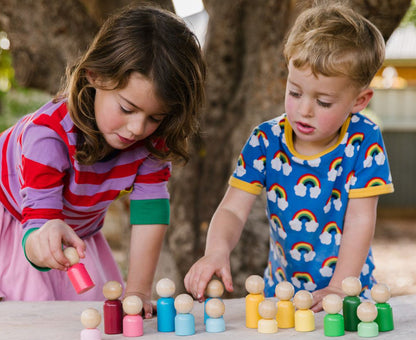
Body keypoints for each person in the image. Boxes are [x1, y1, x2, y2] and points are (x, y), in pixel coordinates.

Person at [184, 2, 393, 312]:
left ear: (358, 101)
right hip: (281, 296)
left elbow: (361, 219)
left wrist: (338, 286)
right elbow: (233, 209)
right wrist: (216, 250)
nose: (304, 110)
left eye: (323, 102)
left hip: (348, 295)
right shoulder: (266, 141)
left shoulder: (364, 141)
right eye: (295, 92)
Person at [0, 5, 206, 317]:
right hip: (18, 220)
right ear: (94, 76)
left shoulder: (151, 140)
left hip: (72, 229)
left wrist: (137, 292)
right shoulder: (47, 139)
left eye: (155, 117)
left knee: (91, 318)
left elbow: (149, 213)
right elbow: (37, 228)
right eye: (127, 108)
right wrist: (43, 243)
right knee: (33, 324)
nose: (138, 128)